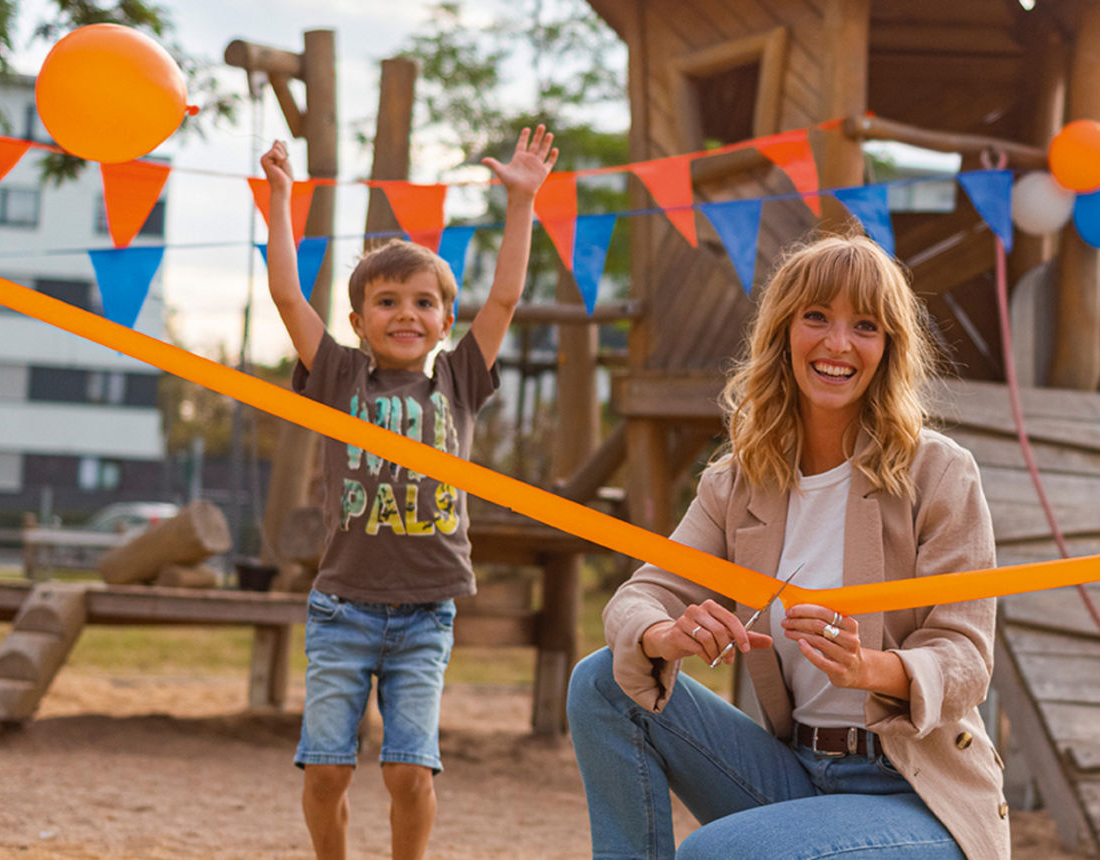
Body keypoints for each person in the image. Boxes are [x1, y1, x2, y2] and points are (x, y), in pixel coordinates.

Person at [567, 232, 1009, 859]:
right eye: (816, 317)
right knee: (601, 683)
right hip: (798, 776)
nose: (837, 344)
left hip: (919, 799)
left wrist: (869, 668)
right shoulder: (737, 481)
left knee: (716, 853)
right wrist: (662, 635)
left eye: (865, 325)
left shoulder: (939, 472)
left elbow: (966, 656)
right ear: (784, 332)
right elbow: (643, 593)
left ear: (888, 348)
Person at [261, 126, 557, 860]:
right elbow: (287, 294)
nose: (405, 313)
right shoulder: (337, 376)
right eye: (386, 301)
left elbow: (509, 295)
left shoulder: (459, 380)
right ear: (358, 322)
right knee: (327, 769)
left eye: (423, 303)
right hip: (343, 607)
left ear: (444, 323)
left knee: (407, 769)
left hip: (425, 610)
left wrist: (521, 202)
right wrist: (280, 200)